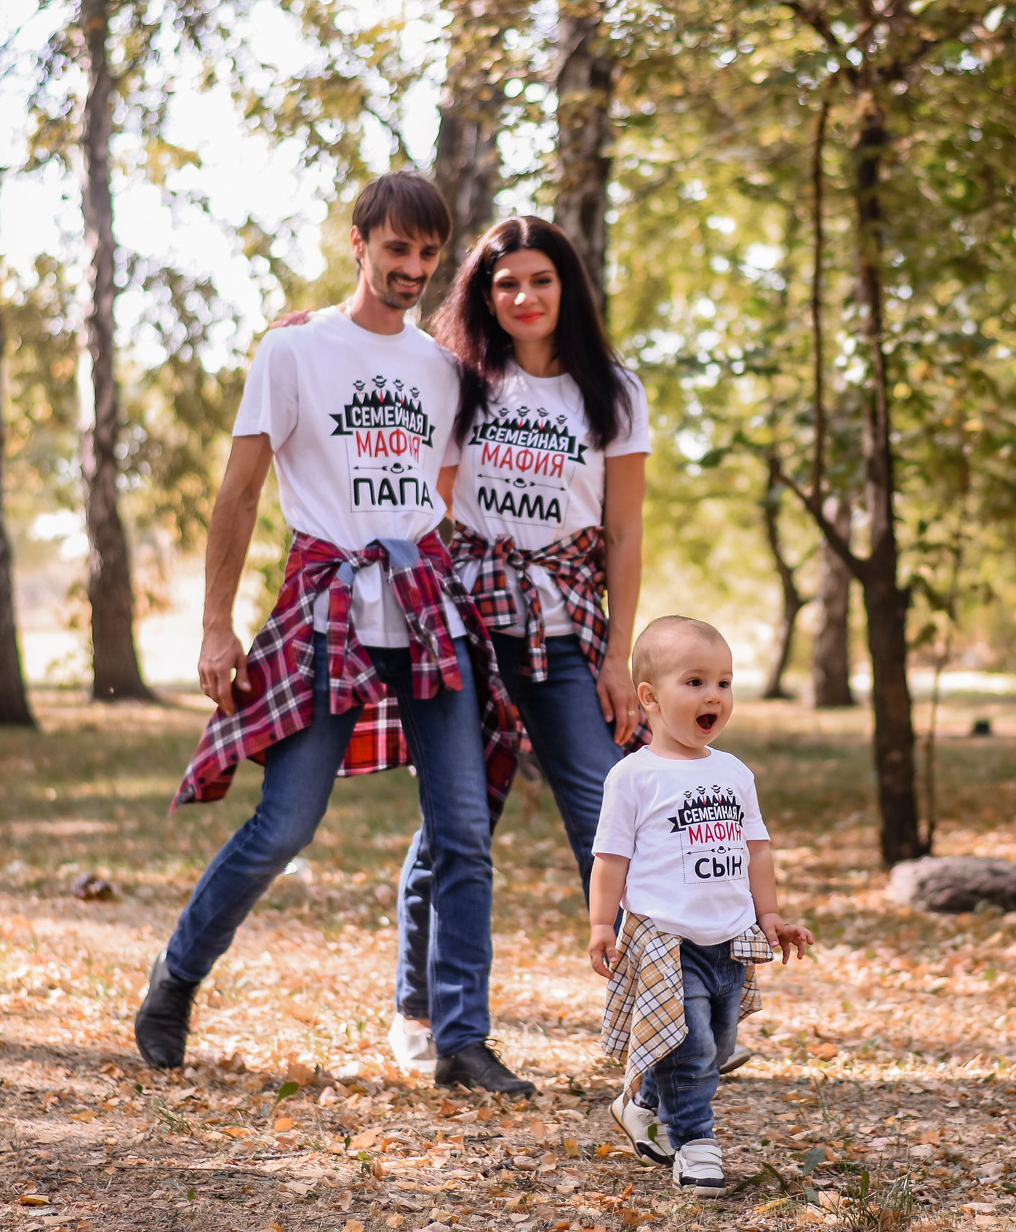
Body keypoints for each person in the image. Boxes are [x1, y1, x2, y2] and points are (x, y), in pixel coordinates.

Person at [137, 170, 536, 1097]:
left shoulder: (440, 371)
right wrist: (214, 626)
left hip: (423, 605)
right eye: (397, 249)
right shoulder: (294, 351)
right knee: (285, 822)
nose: (413, 268)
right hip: (326, 605)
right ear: (358, 243)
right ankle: (174, 981)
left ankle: (461, 1038)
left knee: (464, 827)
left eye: (429, 255)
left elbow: (445, 492)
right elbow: (237, 493)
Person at [390, 216, 651, 1076]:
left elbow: (625, 532)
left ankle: (659, 1020)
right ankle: (427, 1012)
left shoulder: (611, 390)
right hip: (467, 610)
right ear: (486, 296)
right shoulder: (460, 380)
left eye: (540, 280)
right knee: (459, 821)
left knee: (611, 810)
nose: (525, 297)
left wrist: (616, 653)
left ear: (565, 287)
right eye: (506, 284)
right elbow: (368, 369)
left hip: (566, 619)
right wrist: (302, 331)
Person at [588, 616, 814, 1196]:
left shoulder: (734, 773)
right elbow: (610, 858)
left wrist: (769, 917)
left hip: (730, 936)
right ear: (650, 698)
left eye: (724, 682)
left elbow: (756, 851)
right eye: (694, 682)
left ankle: (640, 1103)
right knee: (693, 1050)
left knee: (717, 1044)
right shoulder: (634, 777)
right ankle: (696, 1145)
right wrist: (599, 924)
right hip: (666, 938)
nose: (714, 694)